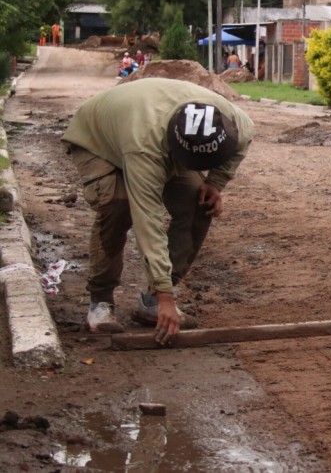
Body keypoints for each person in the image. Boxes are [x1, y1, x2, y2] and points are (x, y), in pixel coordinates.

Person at [62, 78, 254, 344]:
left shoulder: (236, 123)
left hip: (151, 129)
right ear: (176, 148)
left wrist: (214, 183)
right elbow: (147, 220)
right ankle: (101, 301)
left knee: (199, 203)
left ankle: (151, 301)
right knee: (118, 206)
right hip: (98, 140)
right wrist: (168, 297)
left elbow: (242, 145)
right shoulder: (145, 148)